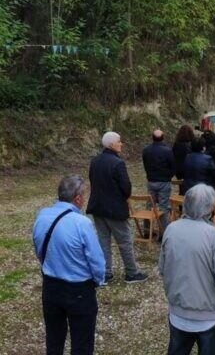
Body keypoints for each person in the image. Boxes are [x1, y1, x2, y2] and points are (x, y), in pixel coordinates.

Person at [159, 184, 215, 355]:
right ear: (210, 208)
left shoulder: (171, 229)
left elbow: (163, 268)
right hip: (209, 315)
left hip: (178, 310)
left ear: (185, 203)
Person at [34, 175, 105, 355]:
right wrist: (97, 281)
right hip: (79, 289)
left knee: (54, 340)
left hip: (50, 285)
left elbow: (37, 246)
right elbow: (97, 262)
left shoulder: (42, 216)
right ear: (78, 199)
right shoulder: (82, 223)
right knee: (82, 343)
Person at [87, 132, 148, 284]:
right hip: (114, 209)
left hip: (98, 206)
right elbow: (126, 188)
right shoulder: (117, 163)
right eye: (119, 141)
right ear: (112, 144)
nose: (121, 144)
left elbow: (92, 180)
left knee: (103, 241)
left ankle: (106, 273)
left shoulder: (95, 161)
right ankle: (132, 273)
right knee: (125, 241)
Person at [142, 129, 176, 237]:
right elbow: (173, 167)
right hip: (164, 182)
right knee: (163, 207)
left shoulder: (146, 150)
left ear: (152, 137)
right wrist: (168, 176)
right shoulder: (167, 151)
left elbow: (145, 165)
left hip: (151, 181)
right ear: (163, 138)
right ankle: (163, 234)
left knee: (149, 205)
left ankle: (147, 231)